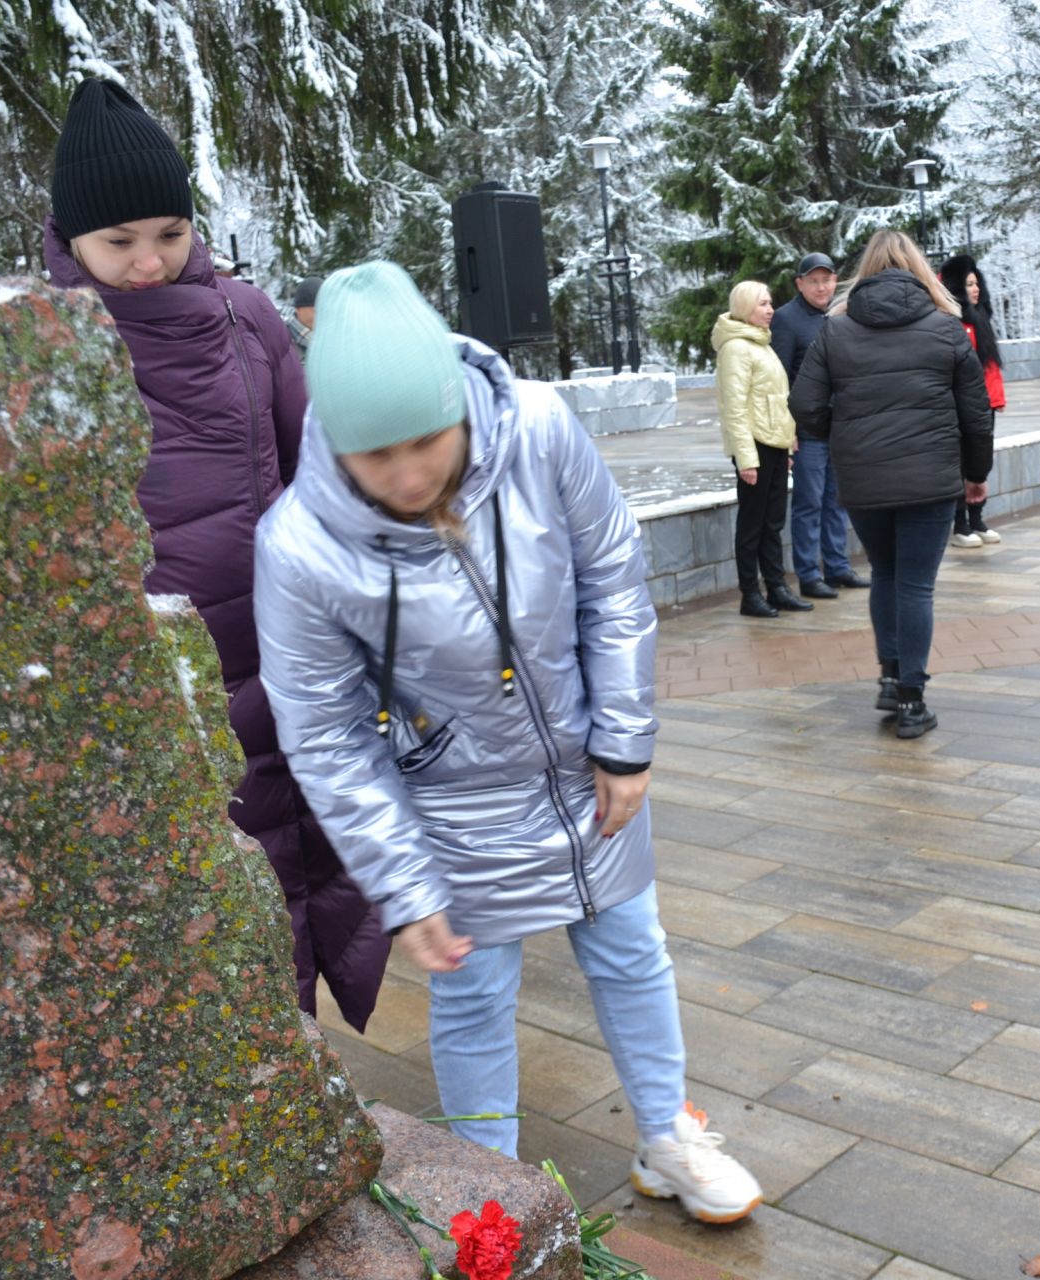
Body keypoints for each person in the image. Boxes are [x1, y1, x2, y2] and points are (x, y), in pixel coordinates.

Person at [253, 261, 764, 1224]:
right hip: (449, 797)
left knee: (632, 949)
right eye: (375, 457)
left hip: (584, 766)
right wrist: (403, 889)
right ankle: (488, 1183)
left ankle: (668, 1133)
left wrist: (623, 743)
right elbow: (322, 735)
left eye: (425, 442)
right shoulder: (301, 546)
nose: (407, 475)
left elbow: (610, 577)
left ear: (458, 406)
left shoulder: (535, 428)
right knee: (472, 987)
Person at [42, 79, 388, 1031]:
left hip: (282, 653)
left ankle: (306, 1085)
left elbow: (321, 474)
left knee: (308, 870)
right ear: (70, 237)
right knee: (216, 910)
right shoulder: (44, 345)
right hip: (161, 676)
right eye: (119, 242)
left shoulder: (249, 319)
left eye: (170, 232)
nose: (149, 260)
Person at [789, 230, 993, 738]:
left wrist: (844, 437)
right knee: (916, 585)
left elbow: (805, 406)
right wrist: (976, 475)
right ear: (917, 269)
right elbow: (976, 414)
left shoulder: (833, 332)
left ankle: (889, 677)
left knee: (884, 574)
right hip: (930, 478)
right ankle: (912, 700)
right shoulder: (947, 328)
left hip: (862, 478)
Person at [772, 252, 869, 599]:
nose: (821, 287)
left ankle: (838, 567)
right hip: (808, 431)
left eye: (827, 280)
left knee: (837, 501)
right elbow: (779, 379)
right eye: (813, 281)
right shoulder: (785, 320)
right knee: (809, 503)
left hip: (840, 427)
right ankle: (809, 574)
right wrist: (788, 433)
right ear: (800, 283)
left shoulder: (841, 315)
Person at [714, 280, 810, 618]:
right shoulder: (737, 348)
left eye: (770, 303)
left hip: (774, 444)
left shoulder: (760, 343)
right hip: (754, 446)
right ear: (744, 307)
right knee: (752, 525)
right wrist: (745, 459)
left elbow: (774, 399)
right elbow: (734, 408)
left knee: (772, 523)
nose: (770, 310)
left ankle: (777, 587)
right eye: (762, 304)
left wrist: (788, 441)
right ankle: (750, 595)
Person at [938, 254, 1010, 546]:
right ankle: (960, 524)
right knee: (959, 464)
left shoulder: (980, 319)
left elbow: (990, 367)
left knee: (979, 463)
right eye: (969, 284)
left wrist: (996, 399)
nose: (976, 288)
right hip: (957, 405)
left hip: (982, 405)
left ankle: (977, 518)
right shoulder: (949, 323)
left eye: (977, 283)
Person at [288, 274, 324, 357]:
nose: (322, 315)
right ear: (298, 309)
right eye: (316, 310)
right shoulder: (280, 341)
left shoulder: (330, 340)